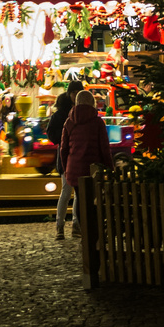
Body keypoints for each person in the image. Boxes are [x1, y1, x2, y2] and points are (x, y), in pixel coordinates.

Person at [55, 89, 112, 241]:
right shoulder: (97, 122)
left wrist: (67, 167)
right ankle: (94, 233)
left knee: (80, 199)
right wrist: (109, 167)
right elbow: (104, 147)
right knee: (95, 200)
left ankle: (85, 232)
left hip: (74, 167)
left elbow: (64, 148)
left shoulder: (69, 122)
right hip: (93, 168)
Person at [44, 78, 82, 160]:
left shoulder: (87, 112)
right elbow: (51, 132)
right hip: (66, 154)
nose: (76, 95)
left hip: (83, 155)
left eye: (78, 92)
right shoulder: (60, 114)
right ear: (69, 94)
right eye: (73, 92)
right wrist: (66, 137)